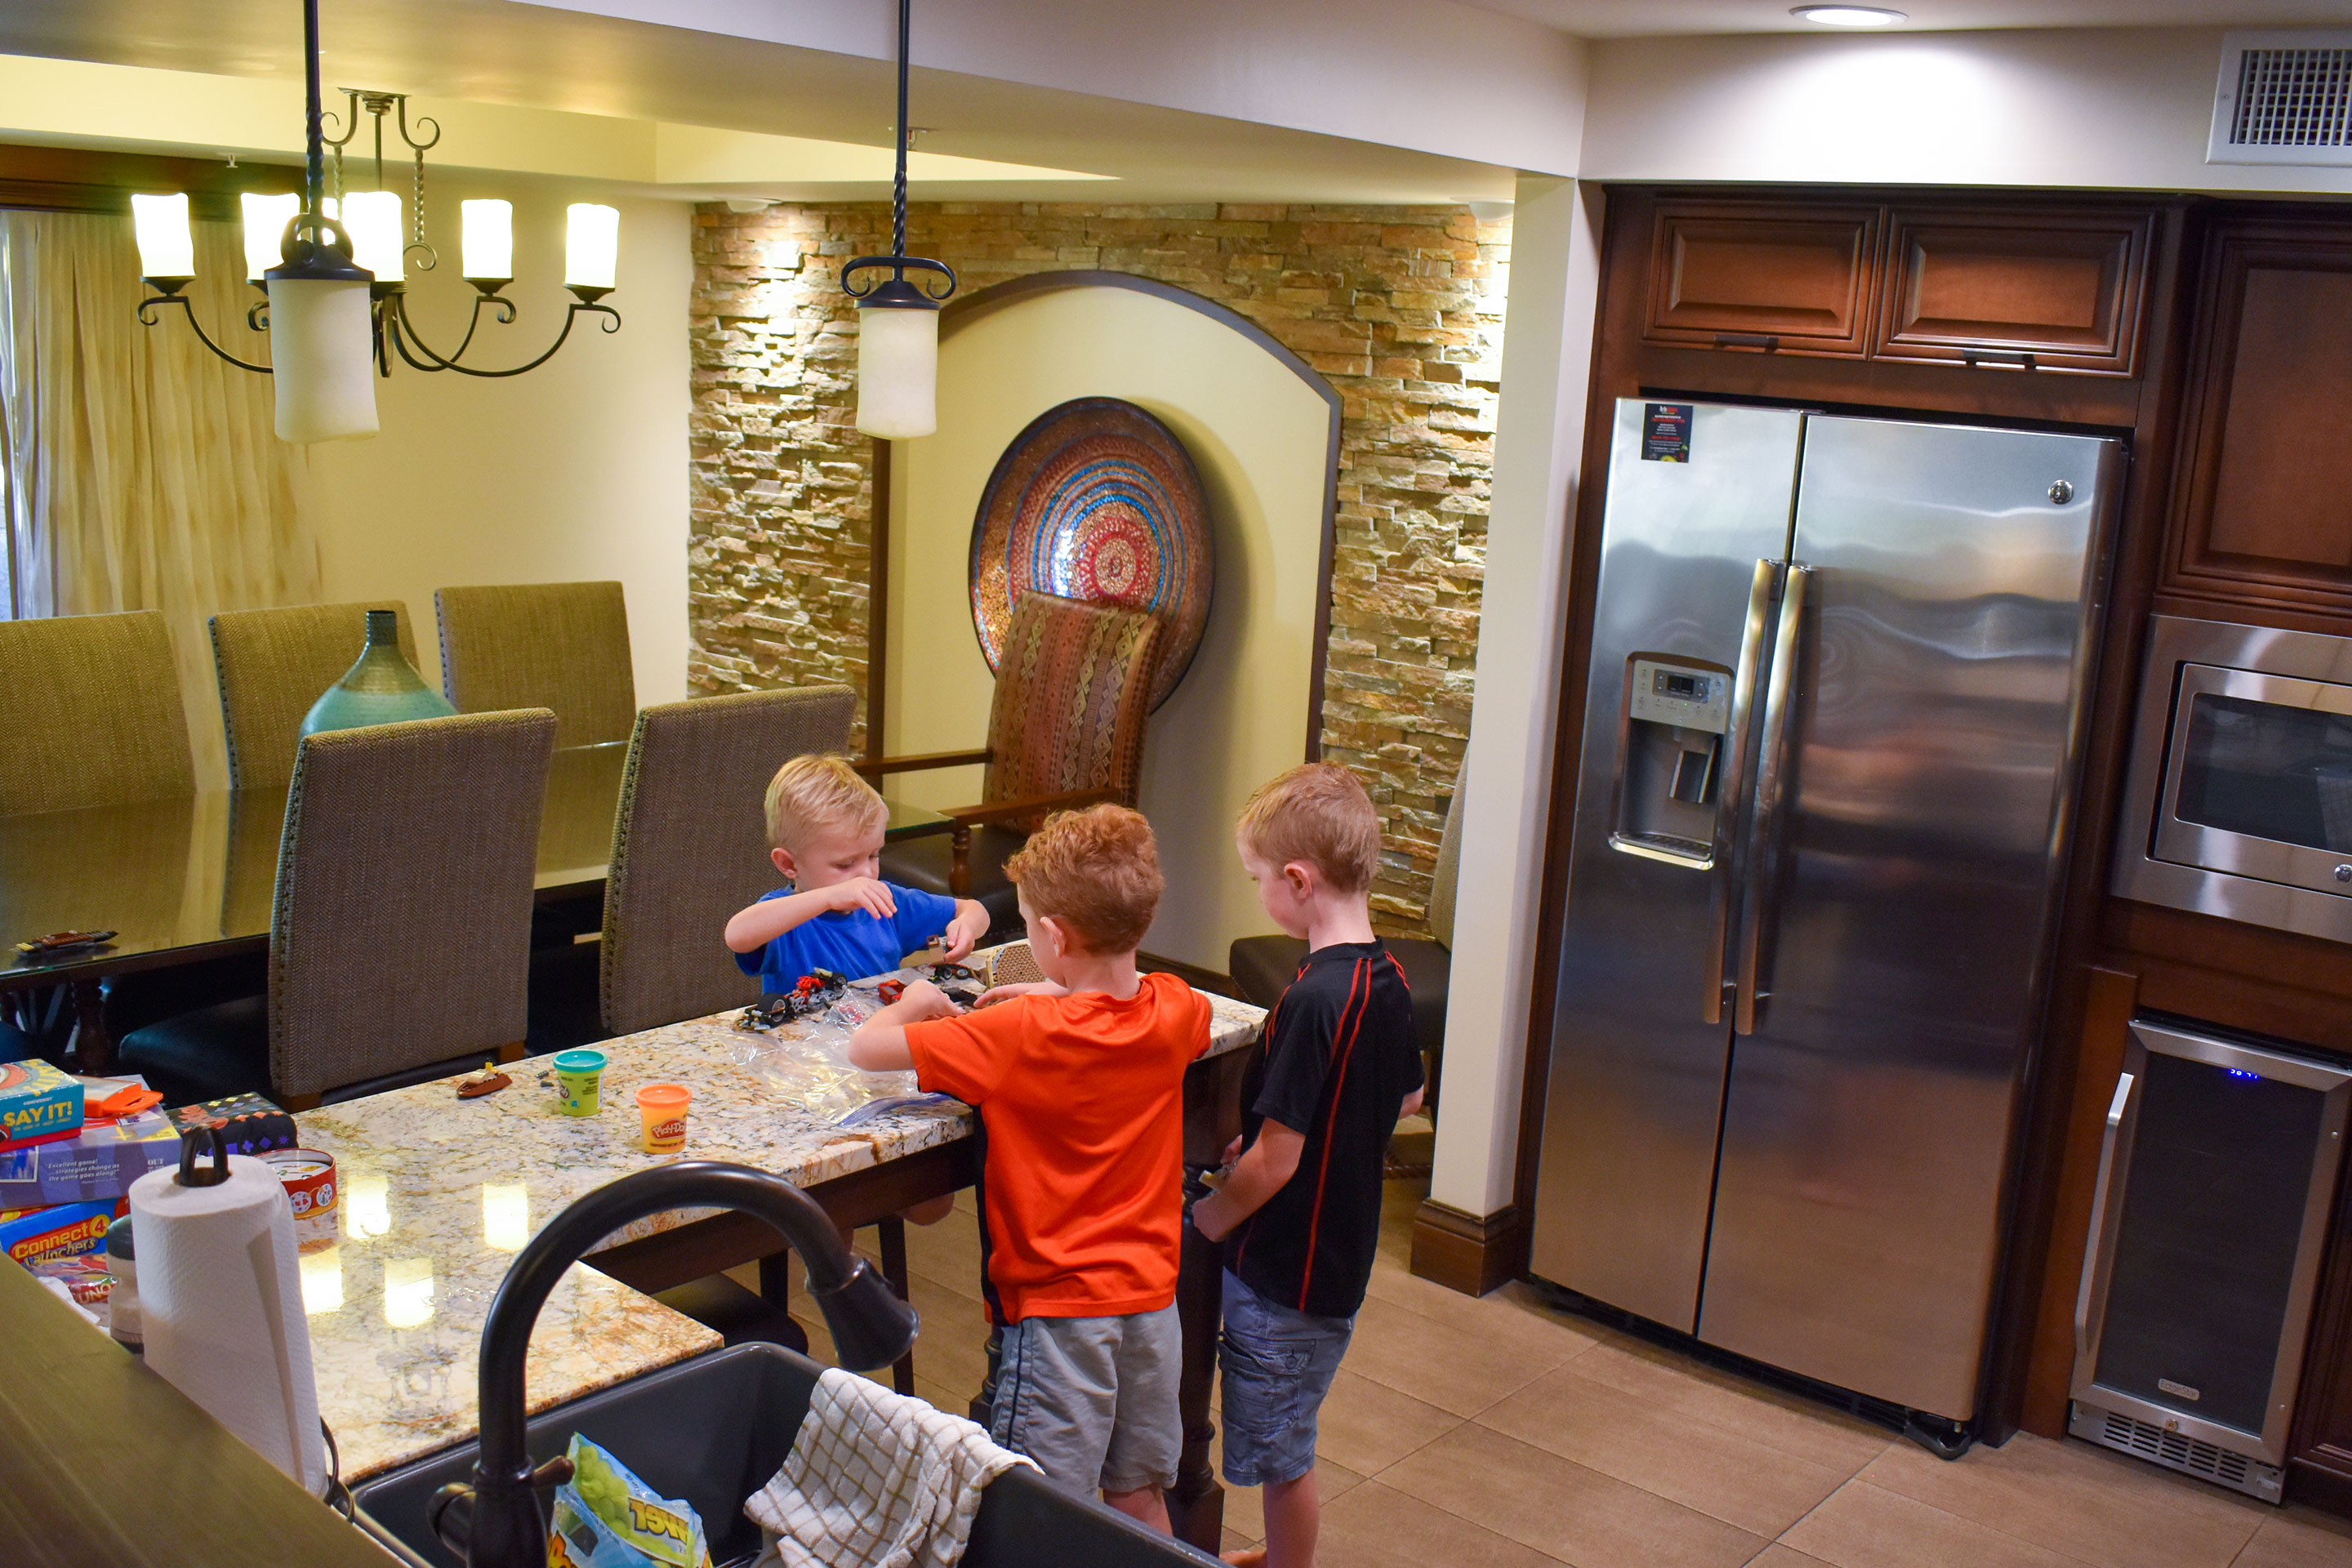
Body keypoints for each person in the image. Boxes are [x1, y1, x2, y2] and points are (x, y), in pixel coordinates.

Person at [846, 805, 1209, 1529]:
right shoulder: (1173, 1010)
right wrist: (1063, 989)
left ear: (1050, 936)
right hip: (1152, 1309)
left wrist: (917, 999)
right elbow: (1155, 1005)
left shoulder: (1012, 1033)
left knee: (1043, 1515)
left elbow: (866, 1052)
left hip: (1058, 1318)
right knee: (1139, 1499)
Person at [1187, 763, 1425, 1568]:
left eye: (1257, 878)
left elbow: (1278, 1163)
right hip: (1340, 1262)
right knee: (1291, 1431)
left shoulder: (1311, 998)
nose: (1258, 892)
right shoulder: (1388, 978)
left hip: (1283, 1276)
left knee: (1284, 1457)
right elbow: (1407, 1099)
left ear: (1297, 879)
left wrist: (1209, 1217)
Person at [724, 753, 990, 992]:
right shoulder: (783, 917)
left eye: (873, 855)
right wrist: (829, 897)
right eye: (845, 864)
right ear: (789, 865)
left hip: (874, 1037)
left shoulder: (886, 903)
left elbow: (973, 909)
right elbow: (737, 935)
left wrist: (966, 925)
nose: (865, 873)